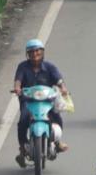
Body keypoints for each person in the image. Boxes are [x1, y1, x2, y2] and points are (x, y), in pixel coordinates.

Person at [13, 39, 69, 167]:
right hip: (29, 101)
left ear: (42, 52)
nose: (35, 54)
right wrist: (17, 88)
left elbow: (59, 80)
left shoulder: (50, 67)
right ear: (28, 54)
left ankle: (57, 142)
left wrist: (63, 88)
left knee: (57, 117)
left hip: (46, 101)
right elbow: (18, 80)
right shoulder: (22, 66)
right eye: (31, 52)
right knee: (23, 121)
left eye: (37, 51)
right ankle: (22, 149)